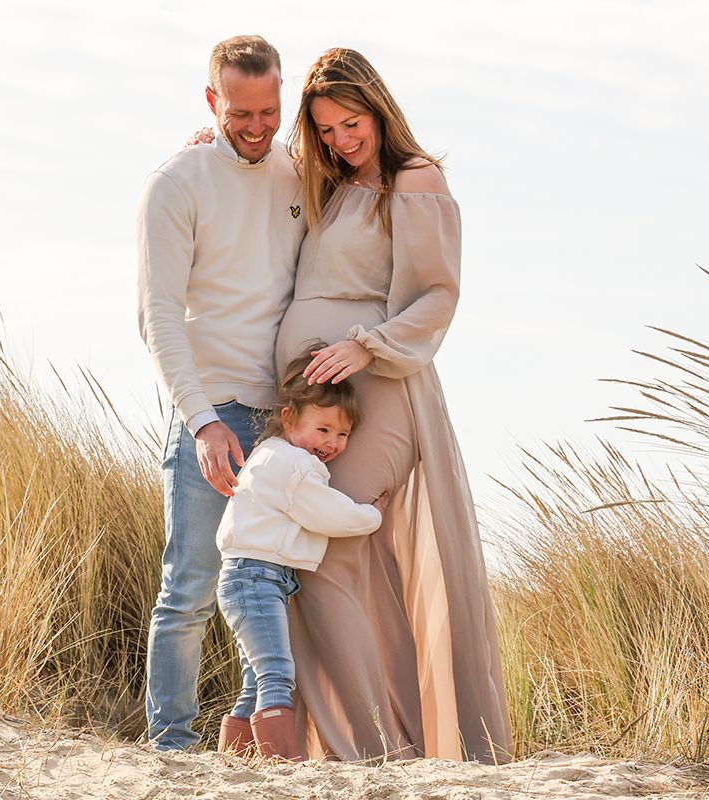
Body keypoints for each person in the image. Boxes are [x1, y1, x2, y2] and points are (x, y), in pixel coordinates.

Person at [276, 47, 512, 762]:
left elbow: (438, 293)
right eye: (325, 130)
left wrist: (367, 347)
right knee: (334, 562)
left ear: (378, 110)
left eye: (352, 124)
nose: (341, 140)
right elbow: (254, 161)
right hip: (321, 401)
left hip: (377, 394)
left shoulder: (414, 179)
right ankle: (380, 740)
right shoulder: (331, 185)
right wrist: (208, 146)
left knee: (321, 552)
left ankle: (373, 750)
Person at [136, 34, 305, 751]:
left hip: (287, 418)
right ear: (212, 101)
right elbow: (157, 318)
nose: (257, 127)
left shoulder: (296, 173)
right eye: (241, 113)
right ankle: (170, 743)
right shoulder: (176, 183)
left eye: (270, 111)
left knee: (271, 584)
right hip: (218, 413)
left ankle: (246, 732)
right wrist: (203, 422)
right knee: (192, 584)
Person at [214, 350, 388, 761]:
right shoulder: (294, 466)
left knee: (257, 680)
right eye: (323, 429)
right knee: (276, 674)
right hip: (256, 579)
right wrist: (371, 516)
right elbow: (328, 512)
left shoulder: (272, 454)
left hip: (247, 578)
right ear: (289, 419)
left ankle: (233, 762)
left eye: (342, 435)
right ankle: (284, 765)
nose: (331, 442)